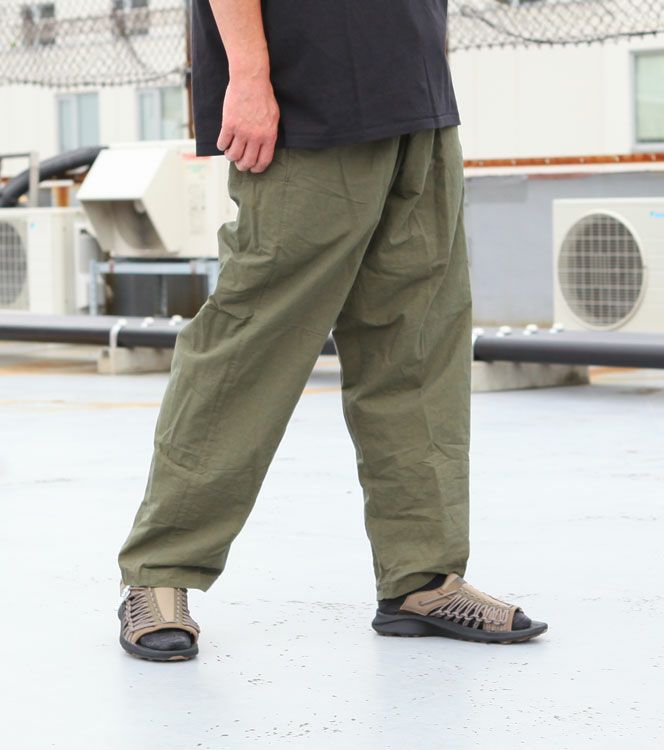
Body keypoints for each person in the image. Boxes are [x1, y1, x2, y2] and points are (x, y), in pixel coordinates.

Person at [116, 0, 548, 662]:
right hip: (304, 97)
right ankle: (158, 573)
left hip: (416, 95)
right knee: (251, 340)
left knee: (418, 344)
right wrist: (249, 77)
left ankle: (421, 578)